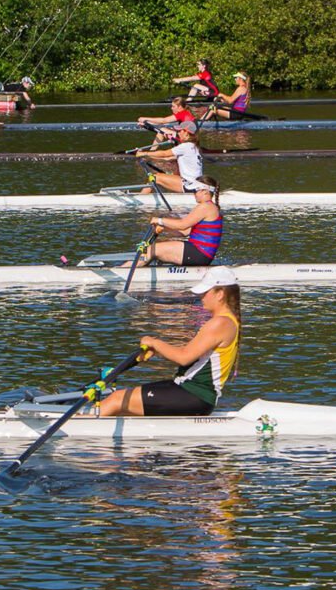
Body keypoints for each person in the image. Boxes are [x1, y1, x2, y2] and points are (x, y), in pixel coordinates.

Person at [97, 266, 241, 417]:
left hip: (193, 395)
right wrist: (158, 351)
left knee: (117, 399)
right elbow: (194, 354)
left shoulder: (220, 323)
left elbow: (184, 358)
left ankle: (77, 430)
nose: (201, 296)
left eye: (205, 292)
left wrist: (154, 342)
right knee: (123, 404)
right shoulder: (229, 321)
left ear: (220, 294)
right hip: (189, 392)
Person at [128, 175, 223, 268]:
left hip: (199, 253)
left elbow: (182, 225)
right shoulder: (210, 207)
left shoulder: (205, 207)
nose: (193, 193)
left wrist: (160, 220)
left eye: (195, 190)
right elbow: (185, 231)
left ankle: (124, 270)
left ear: (205, 191)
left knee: (151, 250)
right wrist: (165, 229)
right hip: (201, 254)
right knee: (156, 248)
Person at [135, 126, 203, 193]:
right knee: (171, 173)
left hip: (189, 185)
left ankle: (142, 197)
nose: (178, 133)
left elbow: (164, 154)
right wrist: (147, 157)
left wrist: (144, 153)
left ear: (186, 133)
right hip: (195, 183)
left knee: (155, 177)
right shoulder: (194, 146)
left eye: (179, 131)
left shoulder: (185, 146)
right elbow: (166, 158)